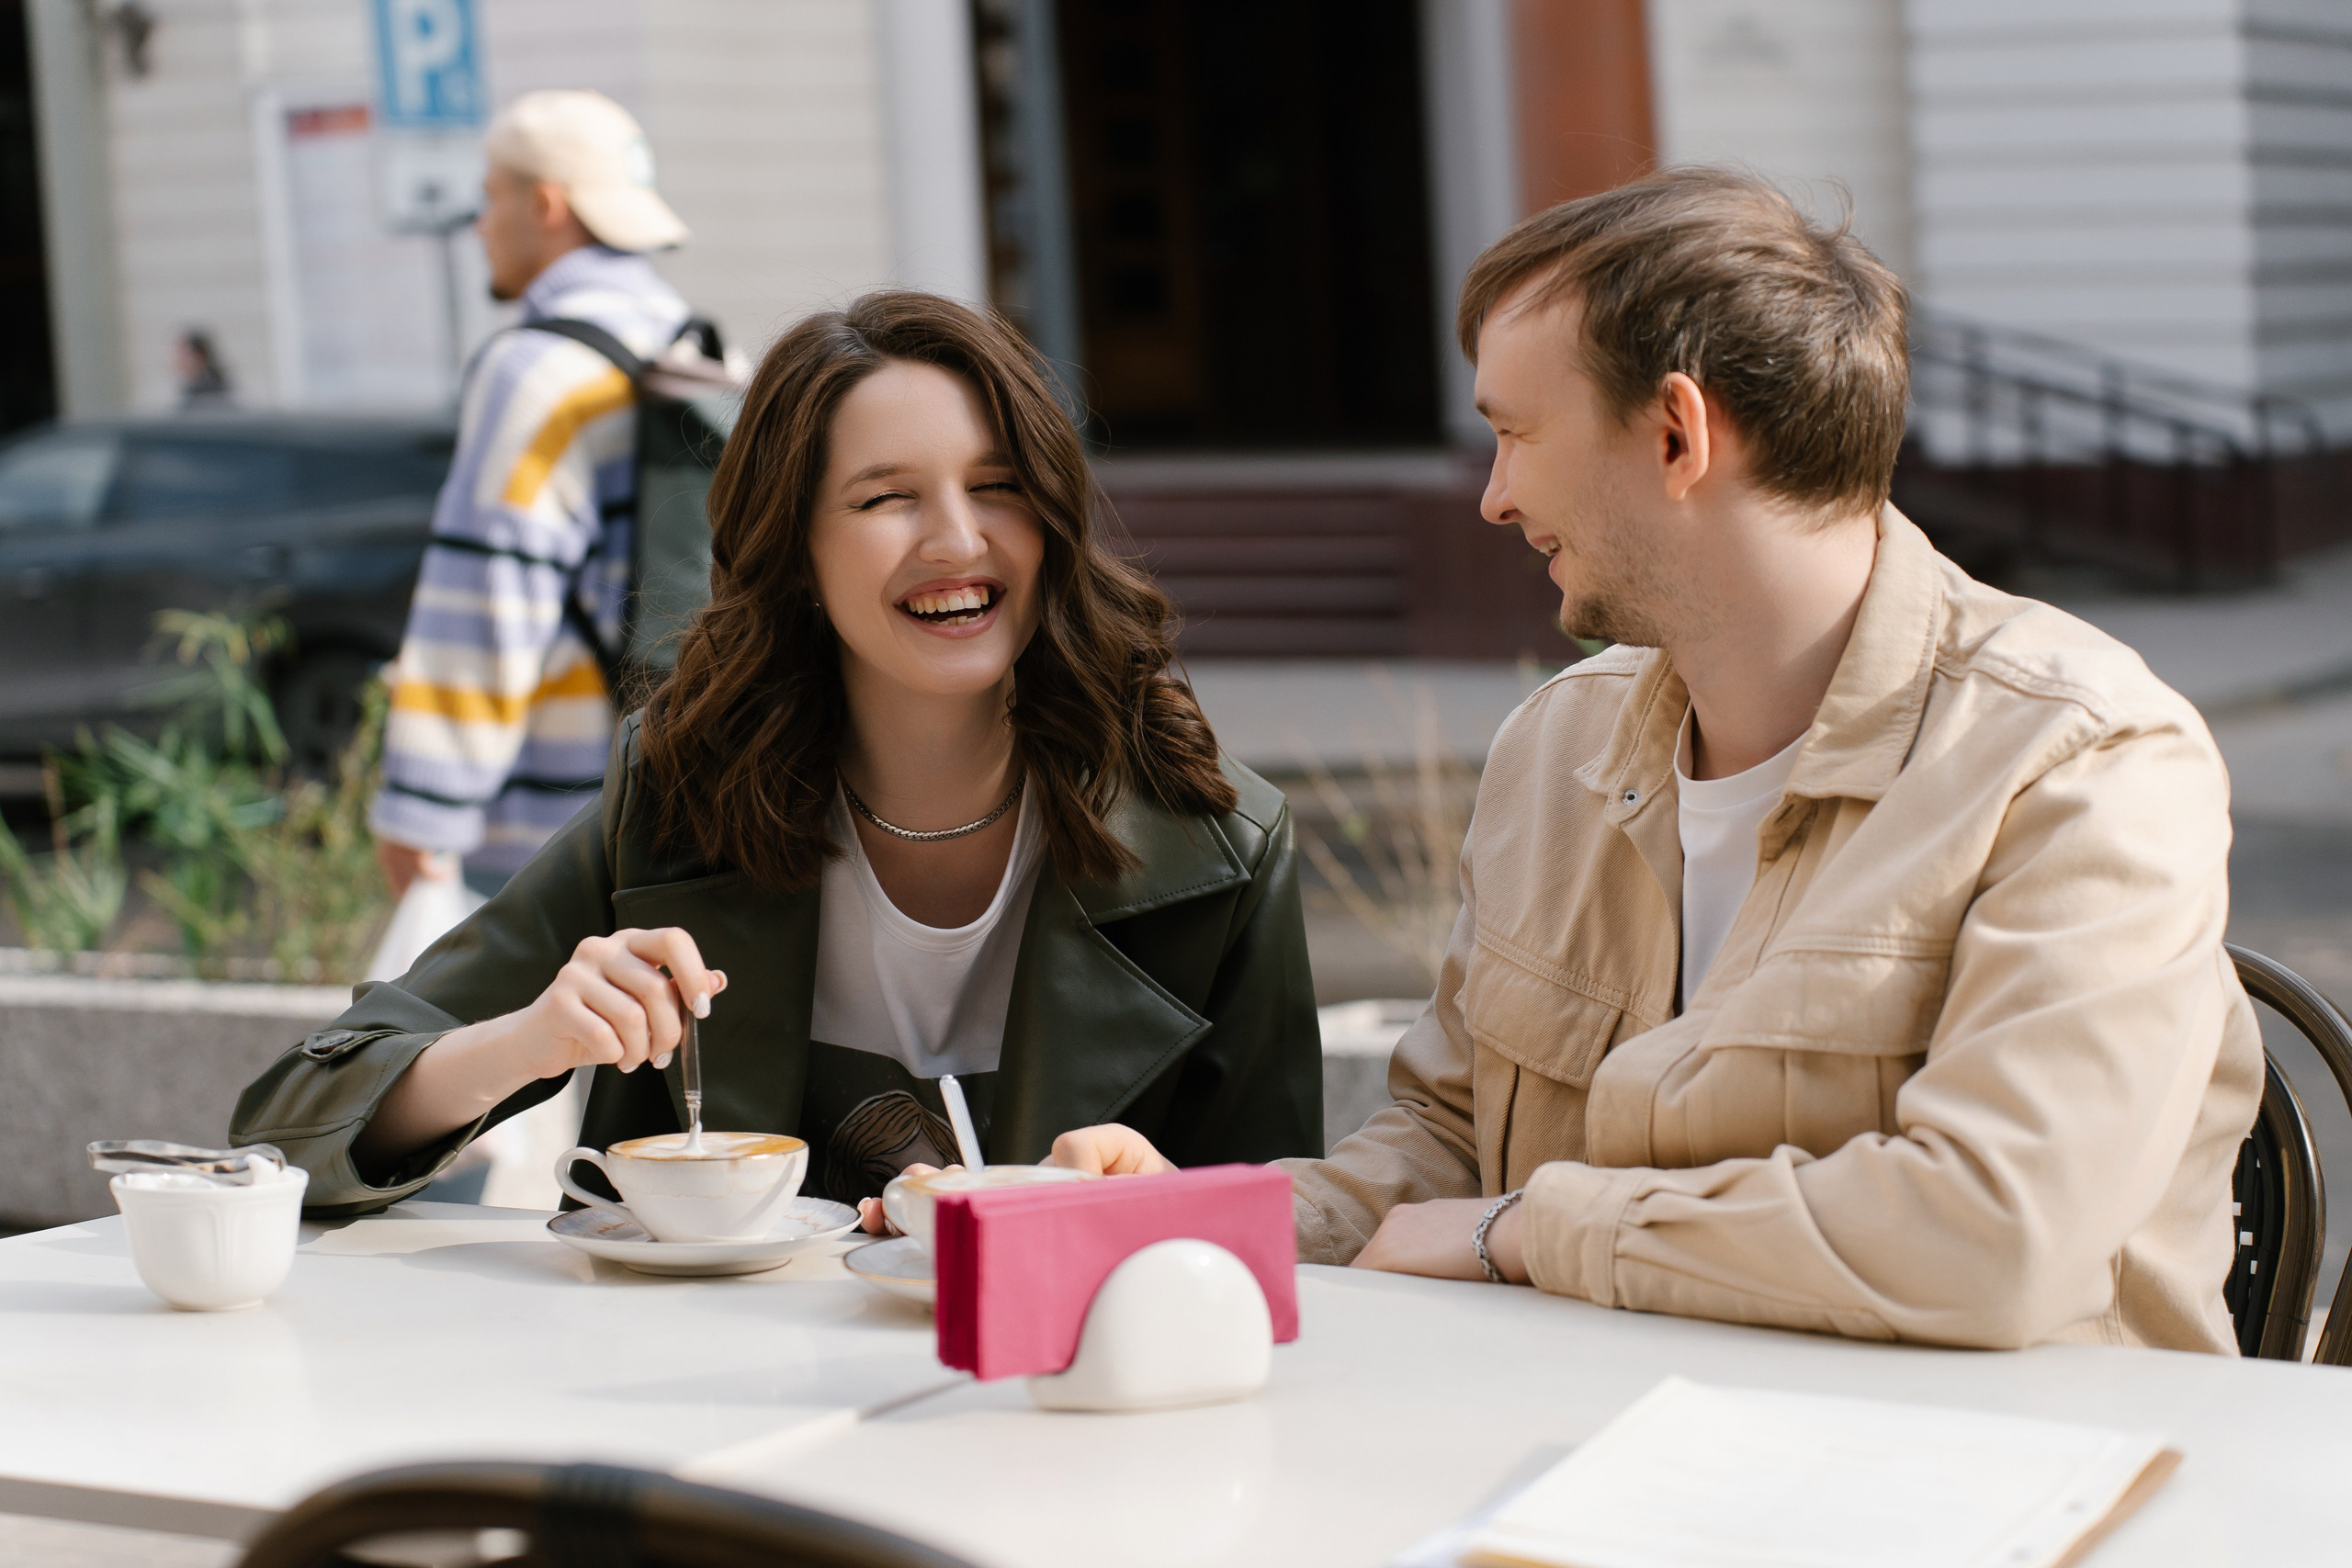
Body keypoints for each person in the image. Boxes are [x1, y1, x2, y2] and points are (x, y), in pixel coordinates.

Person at [1053, 168, 2262, 1354]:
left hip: (2015, 1494)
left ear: (1678, 431)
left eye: (1516, 435)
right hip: (1600, 1453)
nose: (1493, 496)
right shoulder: (1555, 743)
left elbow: (1999, 1238)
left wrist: (1535, 1229)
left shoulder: (2085, 761)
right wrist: (1201, 1221)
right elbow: (1449, 1140)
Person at [232, 292, 1323, 1214]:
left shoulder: (1215, 846)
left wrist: (1141, 1203)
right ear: (795, 550)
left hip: (1068, 1409)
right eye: (887, 497)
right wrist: (528, 1040)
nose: (959, 539)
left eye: (997, 486)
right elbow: (292, 1121)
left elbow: (1287, 1228)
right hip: (712, 1417)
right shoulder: (679, 796)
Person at [370, 88, 695, 903]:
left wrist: (423, 812)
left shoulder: (534, 373)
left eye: (490, 196)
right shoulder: (695, 350)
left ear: (546, 205)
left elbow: (489, 591)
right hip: (674, 786)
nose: (479, 223)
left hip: (549, 837)